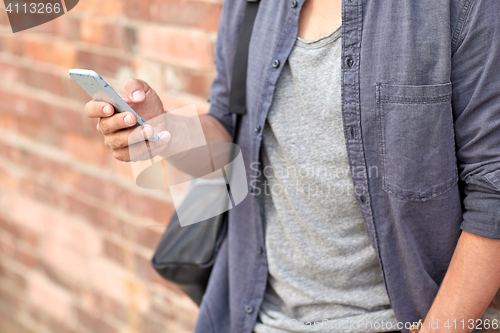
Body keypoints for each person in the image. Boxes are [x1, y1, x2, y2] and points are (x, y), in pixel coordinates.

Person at [84, 0, 500, 332]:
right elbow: (231, 133)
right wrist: (163, 132)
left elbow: (493, 190)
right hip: (257, 317)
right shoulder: (252, 6)